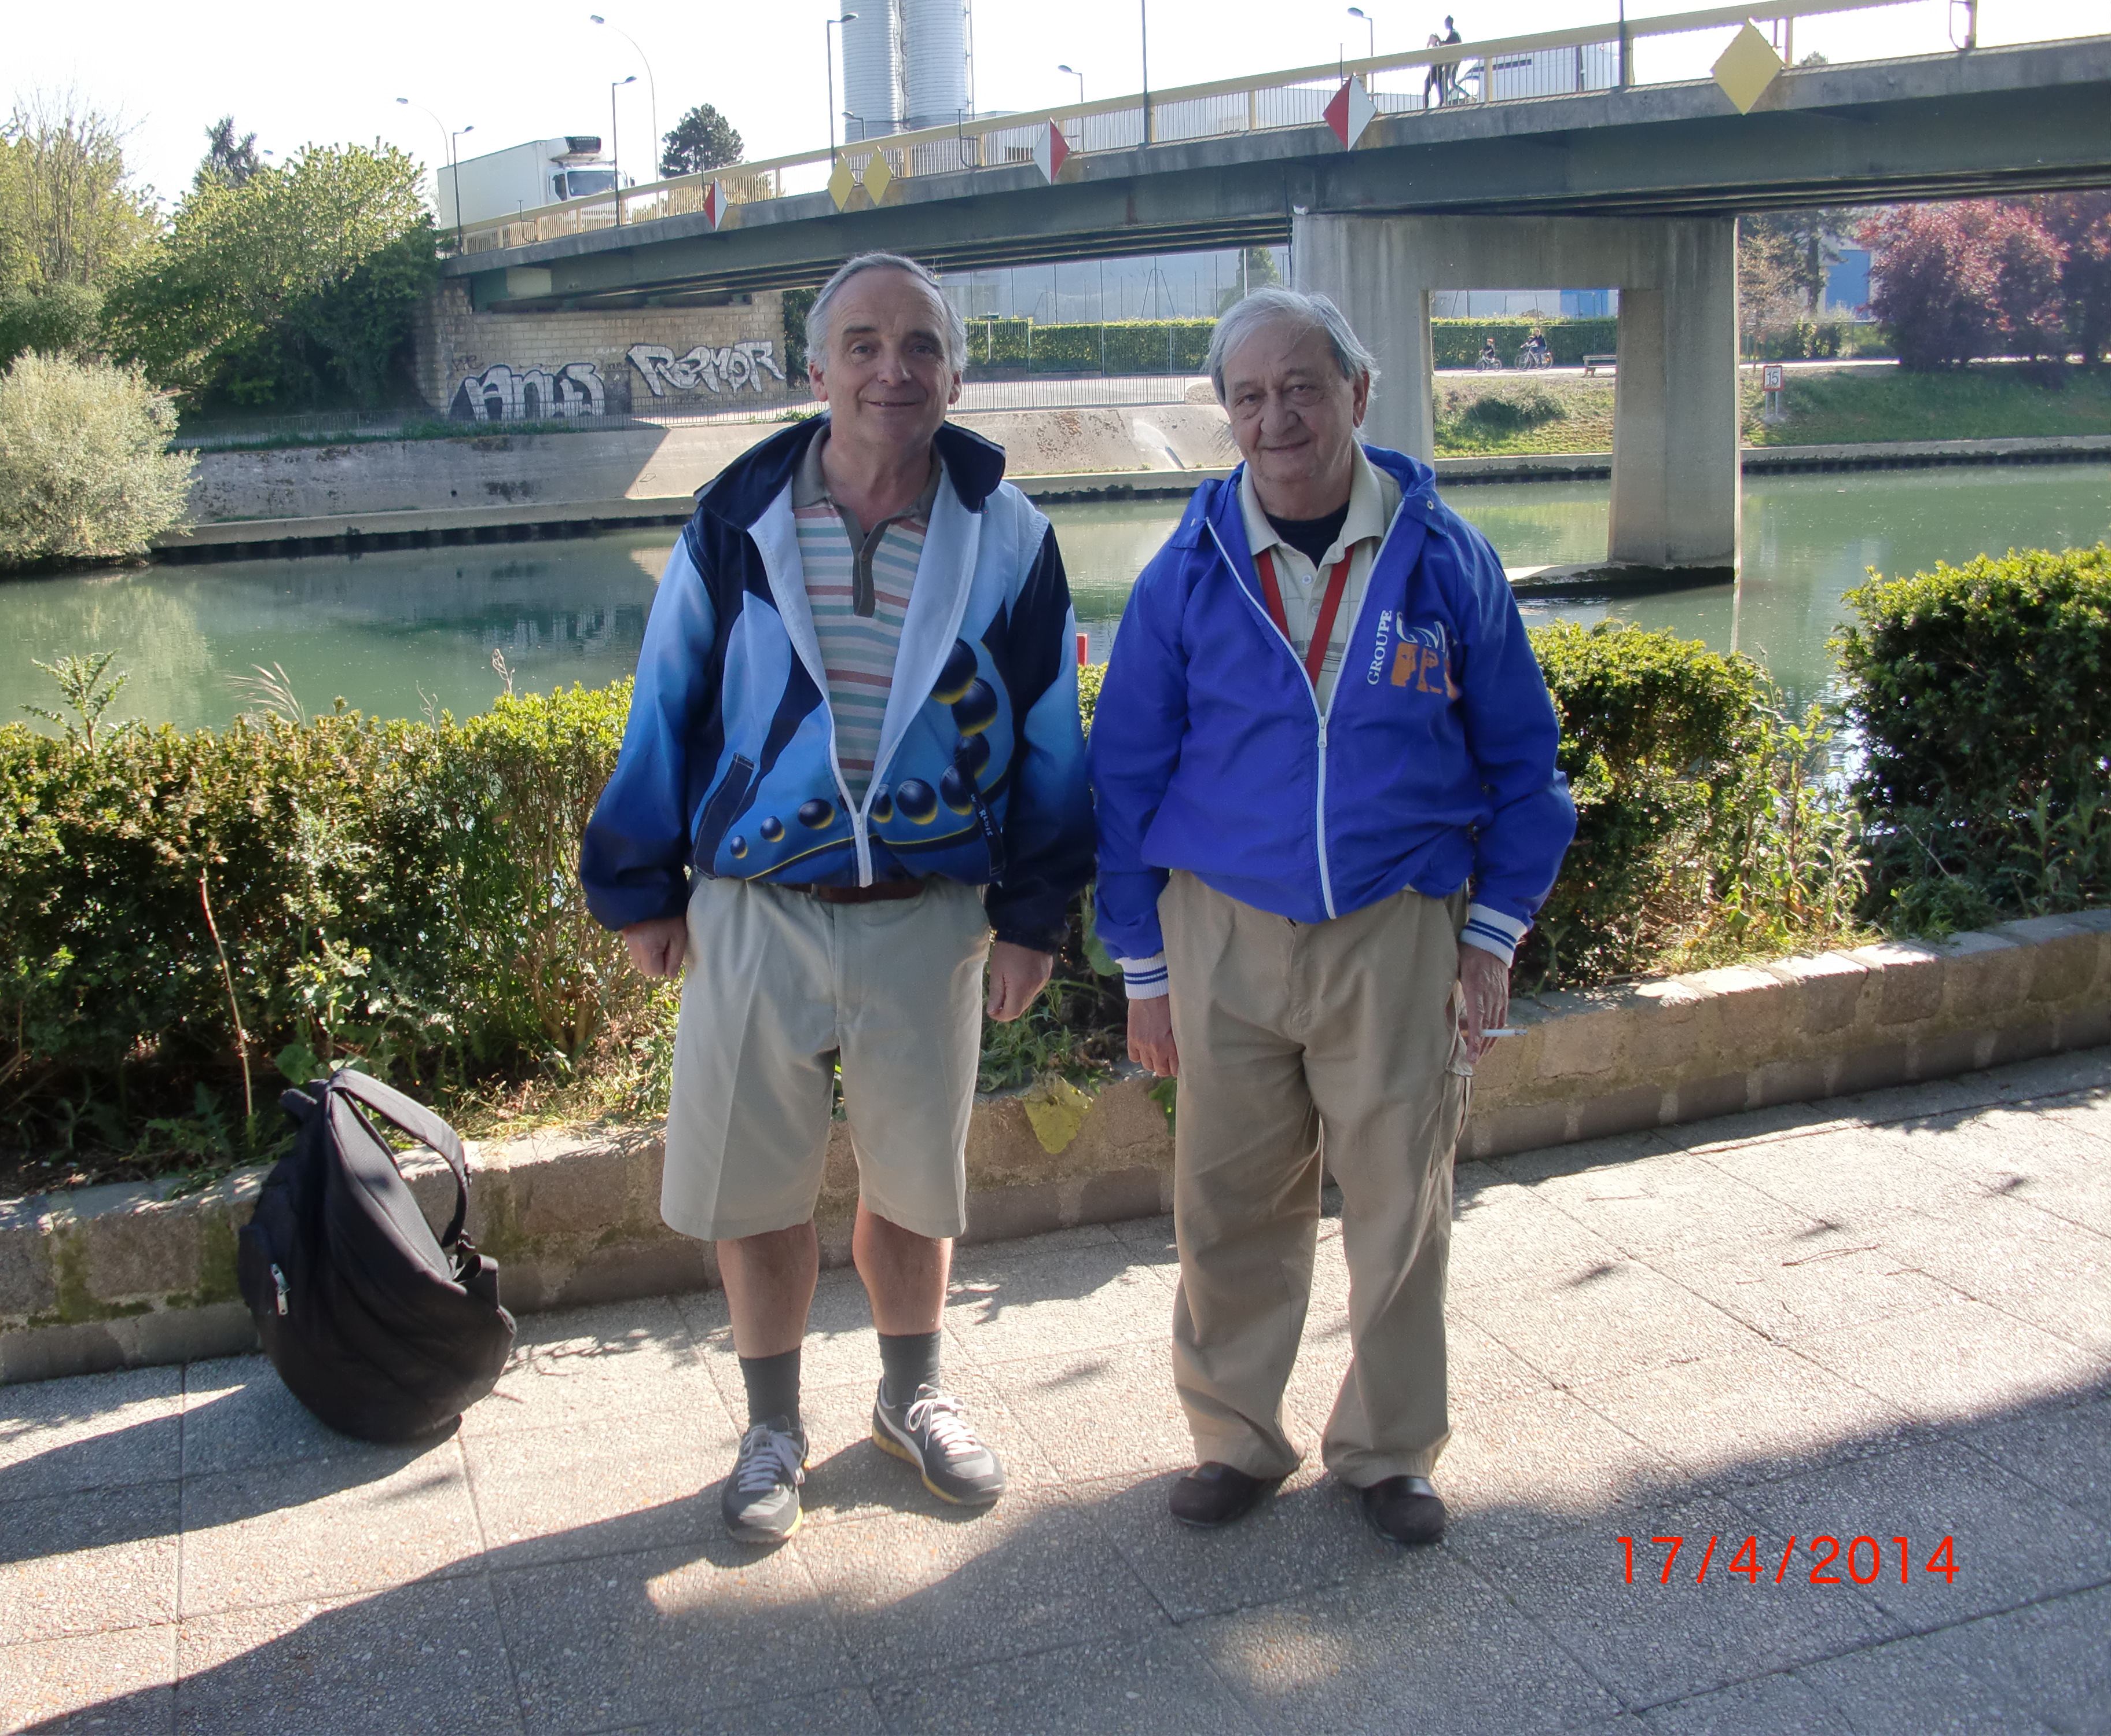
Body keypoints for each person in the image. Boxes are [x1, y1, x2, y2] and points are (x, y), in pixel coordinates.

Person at [580, 251, 1093, 1546]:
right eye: (862, 344)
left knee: (915, 1184)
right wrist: (641, 889)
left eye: (919, 345)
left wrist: (1033, 916)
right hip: (755, 909)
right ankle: (772, 1428)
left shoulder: (1010, 535)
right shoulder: (735, 518)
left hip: (930, 914)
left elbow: (1050, 736)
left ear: (955, 373)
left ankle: (910, 1399)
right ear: (816, 370)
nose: (891, 370)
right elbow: (666, 700)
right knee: (754, 1193)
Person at [1088, 287, 1573, 1544]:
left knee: (1400, 1203)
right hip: (1220, 928)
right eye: (1248, 396)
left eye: (1301, 387)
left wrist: (1492, 932)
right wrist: (1142, 968)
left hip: (1394, 925)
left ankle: (1389, 1451)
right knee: (1227, 1203)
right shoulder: (1187, 571)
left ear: (1357, 394)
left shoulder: (1445, 555)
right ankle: (1234, 1437)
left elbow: (1525, 764)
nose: (1276, 418)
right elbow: (1124, 773)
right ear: (1226, 415)